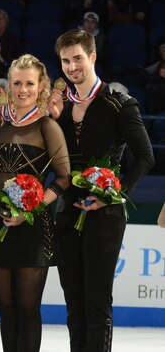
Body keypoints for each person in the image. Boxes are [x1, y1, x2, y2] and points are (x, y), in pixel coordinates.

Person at [48, 29, 154, 352]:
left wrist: (113, 194)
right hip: (67, 211)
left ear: (92, 57)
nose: (71, 67)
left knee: (96, 303)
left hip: (105, 215)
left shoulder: (119, 103)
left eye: (77, 58)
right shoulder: (59, 107)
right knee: (73, 304)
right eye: (65, 61)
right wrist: (48, 118)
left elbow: (146, 156)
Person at [0, 54, 71, 352]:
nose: (22, 90)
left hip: (33, 224)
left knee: (27, 310)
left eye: (29, 84)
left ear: (41, 85)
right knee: (6, 310)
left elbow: (64, 178)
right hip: (0, 221)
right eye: (17, 83)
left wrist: (30, 209)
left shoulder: (48, 127)